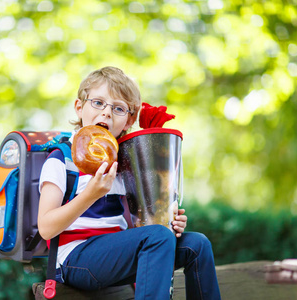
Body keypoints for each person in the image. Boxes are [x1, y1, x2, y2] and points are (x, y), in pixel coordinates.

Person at [38, 66, 221, 300]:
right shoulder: (61, 159)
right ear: (79, 107)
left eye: (118, 108)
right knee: (157, 237)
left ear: (129, 120)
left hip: (115, 254)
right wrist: (90, 195)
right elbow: (46, 227)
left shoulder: (127, 164)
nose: (106, 113)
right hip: (74, 258)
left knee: (197, 244)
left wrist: (167, 221)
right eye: (97, 103)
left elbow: (141, 228)